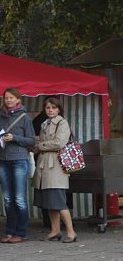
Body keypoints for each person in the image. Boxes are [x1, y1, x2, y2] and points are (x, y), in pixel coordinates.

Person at [0, 87, 35, 243]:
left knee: (19, 198)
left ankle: (21, 232)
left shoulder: (25, 117)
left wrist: (14, 137)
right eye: (6, 98)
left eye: (11, 98)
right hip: (3, 159)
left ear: (18, 99)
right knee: (7, 199)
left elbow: (31, 140)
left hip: (19, 159)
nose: (8, 100)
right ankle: (10, 232)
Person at [33, 97, 77, 243]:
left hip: (56, 167)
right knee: (49, 202)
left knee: (59, 201)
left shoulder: (62, 123)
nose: (50, 110)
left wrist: (40, 145)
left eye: (53, 107)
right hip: (44, 166)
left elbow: (59, 143)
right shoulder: (45, 124)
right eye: (48, 108)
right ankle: (55, 230)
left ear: (59, 109)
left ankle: (71, 232)